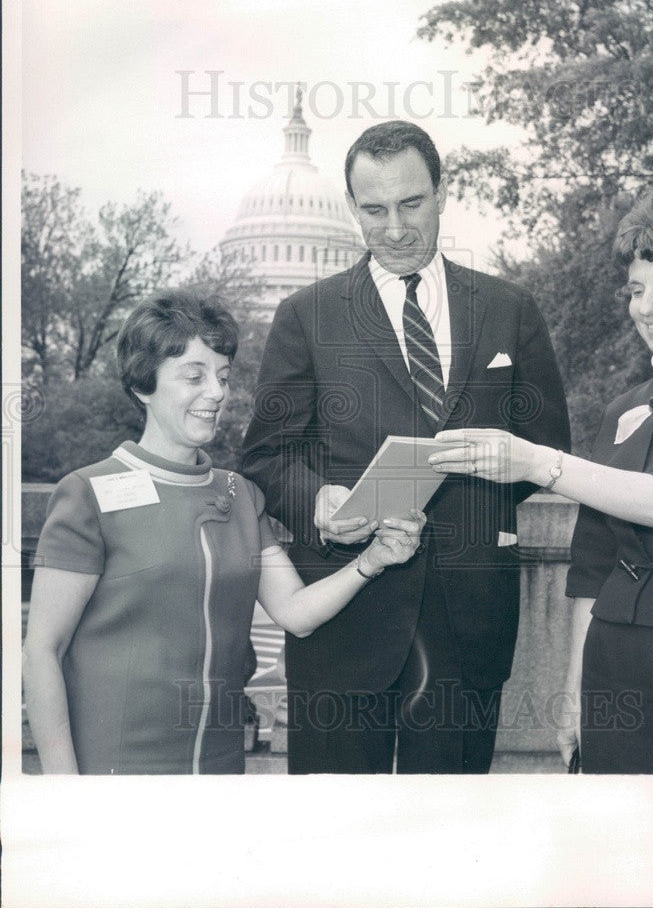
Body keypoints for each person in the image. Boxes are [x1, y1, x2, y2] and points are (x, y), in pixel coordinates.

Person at [241, 120, 570, 774]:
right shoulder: (305, 317)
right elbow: (267, 457)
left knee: (451, 851)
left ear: (442, 193)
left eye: (411, 204)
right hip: (341, 620)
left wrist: (484, 469)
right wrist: (320, 498)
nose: (394, 228)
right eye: (373, 210)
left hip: (468, 626)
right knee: (334, 848)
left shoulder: (511, 310)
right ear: (352, 207)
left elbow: (546, 446)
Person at [429, 185, 653, 775]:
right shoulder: (624, 409)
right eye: (637, 290)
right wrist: (574, 692)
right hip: (613, 667)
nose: (646, 306)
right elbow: (592, 565)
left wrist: (542, 463)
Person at [22, 288, 425, 775]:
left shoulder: (241, 494)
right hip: (115, 771)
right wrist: (64, 791)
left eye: (223, 376)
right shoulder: (87, 493)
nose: (216, 392)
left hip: (220, 768)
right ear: (142, 385)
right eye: (194, 376)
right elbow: (42, 650)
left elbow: (297, 614)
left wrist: (371, 562)